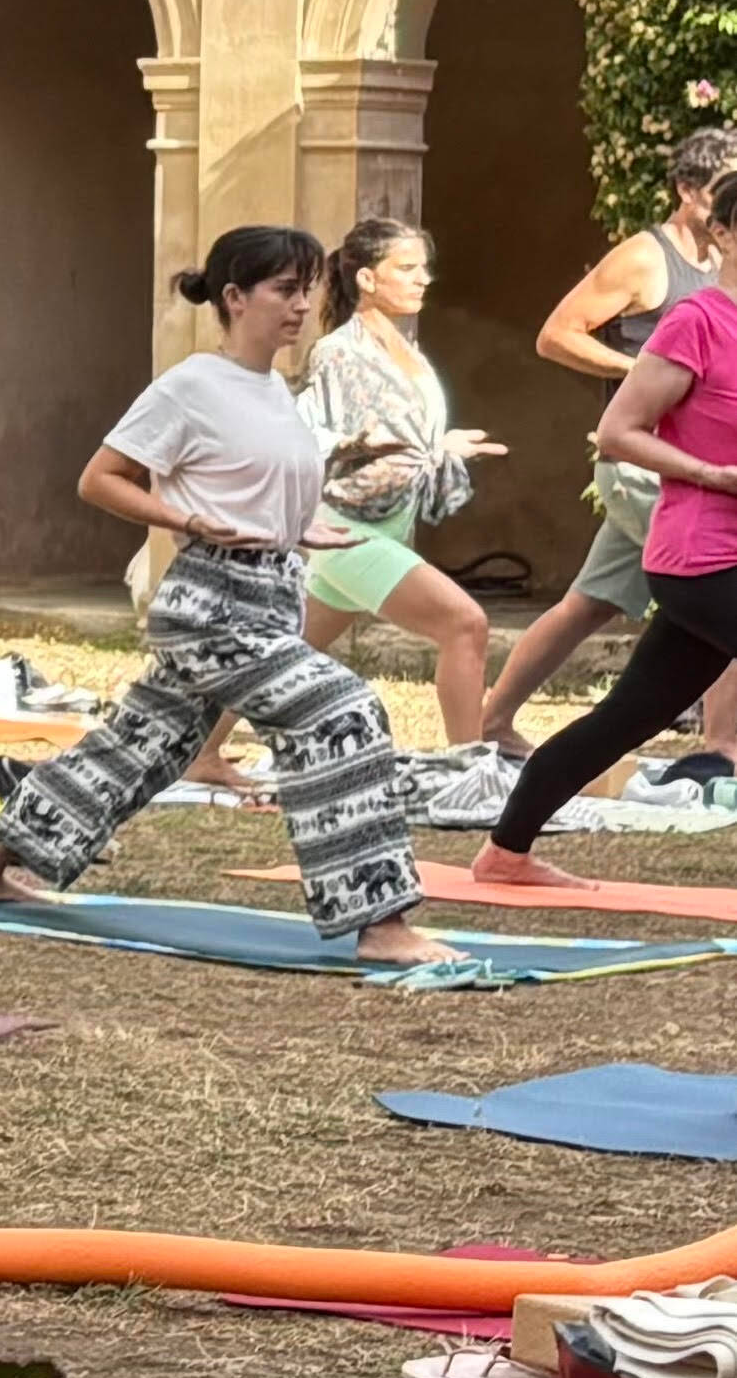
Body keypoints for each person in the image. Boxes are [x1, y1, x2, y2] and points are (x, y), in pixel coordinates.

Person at [0, 229, 440, 956]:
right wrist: (183, 517)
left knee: (141, 742)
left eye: (306, 290)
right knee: (343, 709)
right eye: (283, 290)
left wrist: (302, 532)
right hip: (213, 605)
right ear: (234, 298)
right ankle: (381, 923)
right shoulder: (190, 385)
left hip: (271, 592)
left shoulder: (275, 390)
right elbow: (100, 478)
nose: (300, 306)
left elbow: (256, 489)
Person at [467, 269, 737, 884]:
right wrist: (710, 474)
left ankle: (506, 853)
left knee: (627, 717)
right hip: (702, 558)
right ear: (727, 232)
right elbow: (619, 432)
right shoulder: (698, 321)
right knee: (628, 712)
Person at [479, 131, 737, 757]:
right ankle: (723, 745)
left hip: (672, 468)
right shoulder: (647, 259)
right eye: (722, 191)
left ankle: (492, 721)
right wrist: (651, 377)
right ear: (688, 192)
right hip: (648, 463)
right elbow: (556, 334)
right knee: (722, 586)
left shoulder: (720, 270)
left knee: (590, 603)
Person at [298, 219, 500, 762]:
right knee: (466, 624)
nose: (422, 280)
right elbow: (311, 432)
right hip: (346, 527)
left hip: (389, 522)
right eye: (406, 269)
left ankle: (201, 751)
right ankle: (470, 765)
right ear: (366, 277)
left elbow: (409, 434)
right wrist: (360, 443)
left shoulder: (406, 347)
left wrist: (444, 445)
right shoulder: (338, 352)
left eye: (423, 269)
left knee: (282, 653)